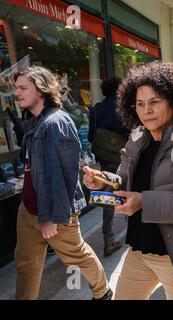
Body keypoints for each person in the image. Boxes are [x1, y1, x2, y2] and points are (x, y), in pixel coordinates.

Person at [82, 62, 173, 300]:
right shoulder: (138, 139)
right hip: (139, 250)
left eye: (155, 102)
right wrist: (105, 182)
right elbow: (124, 182)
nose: (147, 110)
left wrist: (144, 201)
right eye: (140, 104)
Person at [13, 66, 111, 300]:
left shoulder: (55, 123)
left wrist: (52, 217)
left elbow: (63, 174)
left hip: (53, 211)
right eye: (16, 88)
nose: (17, 93)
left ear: (41, 90)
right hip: (29, 207)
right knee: (26, 263)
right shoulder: (35, 120)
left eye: (23, 88)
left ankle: (103, 292)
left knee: (76, 255)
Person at [88, 76, 129, 256]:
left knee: (107, 199)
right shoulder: (125, 108)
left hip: (105, 161)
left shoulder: (97, 109)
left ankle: (108, 241)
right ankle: (134, 234)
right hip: (125, 158)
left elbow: (91, 137)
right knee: (130, 194)